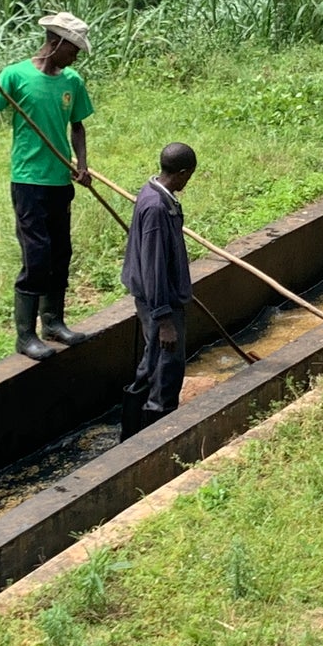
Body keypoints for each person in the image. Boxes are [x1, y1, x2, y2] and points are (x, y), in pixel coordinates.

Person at [0, 12, 94, 360]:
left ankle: (52, 322)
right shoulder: (15, 76)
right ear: (56, 43)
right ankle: (25, 336)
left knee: (60, 254)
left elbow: (78, 127)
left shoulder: (72, 80)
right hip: (28, 182)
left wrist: (82, 167)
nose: (76, 56)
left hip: (58, 181)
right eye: (73, 49)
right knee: (36, 258)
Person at [120, 141, 197, 434]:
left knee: (152, 361)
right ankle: (156, 431)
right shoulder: (155, 209)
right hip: (158, 301)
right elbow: (153, 266)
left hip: (160, 295)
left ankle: (131, 432)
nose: (188, 181)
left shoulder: (155, 192)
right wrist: (164, 317)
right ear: (180, 172)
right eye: (188, 175)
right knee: (167, 367)